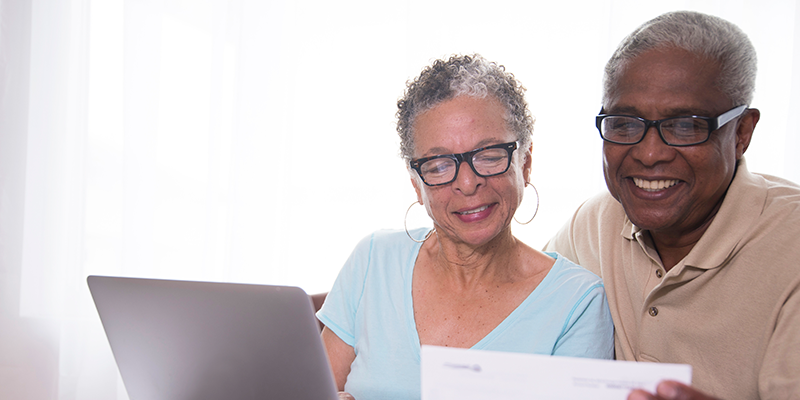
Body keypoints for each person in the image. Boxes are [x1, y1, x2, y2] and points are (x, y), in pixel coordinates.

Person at [317, 54, 614, 400]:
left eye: (488, 155)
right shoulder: (372, 261)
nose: (468, 183)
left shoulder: (578, 303)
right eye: (440, 165)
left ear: (525, 163)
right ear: (417, 184)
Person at [545, 10, 800, 400]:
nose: (649, 154)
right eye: (624, 123)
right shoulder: (593, 225)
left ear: (742, 133)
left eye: (686, 125)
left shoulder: (791, 248)